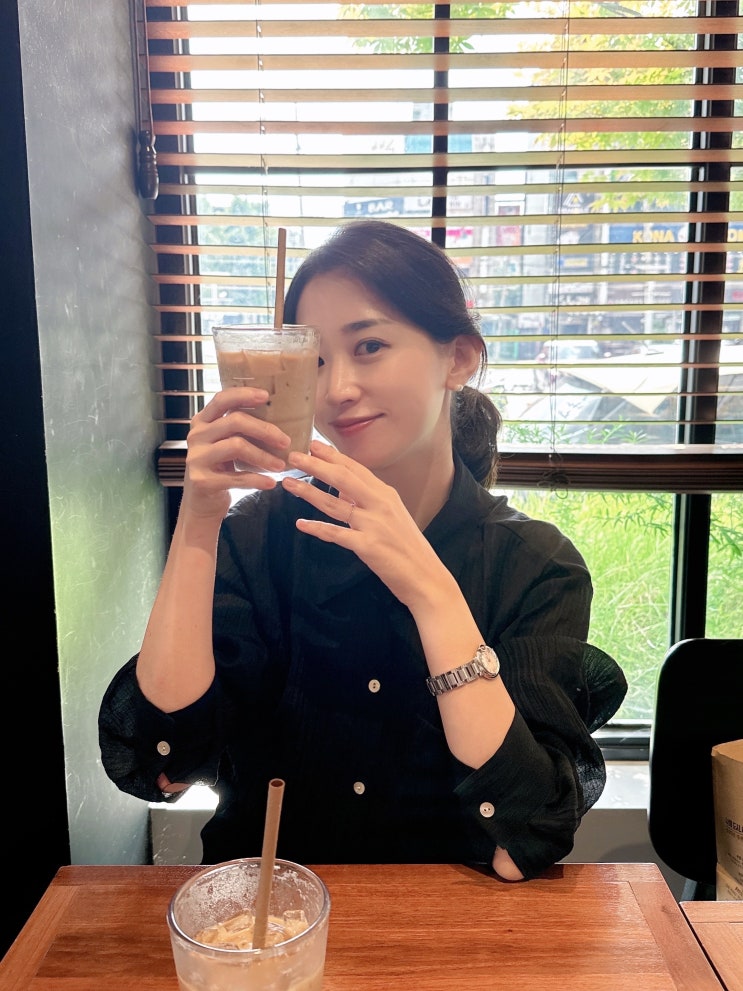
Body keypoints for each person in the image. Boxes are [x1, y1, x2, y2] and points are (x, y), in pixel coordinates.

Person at [99, 219, 626, 881]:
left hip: (451, 925)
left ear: (458, 358)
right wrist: (199, 519)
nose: (336, 389)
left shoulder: (535, 565)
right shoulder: (258, 538)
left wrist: (431, 594)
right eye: (315, 360)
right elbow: (164, 759)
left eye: (369, 345)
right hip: (263, 920)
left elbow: (529, 833)